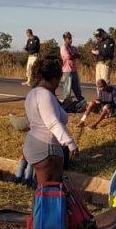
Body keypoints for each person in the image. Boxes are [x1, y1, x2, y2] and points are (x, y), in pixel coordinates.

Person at [23, 55, 79, 185]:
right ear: (53, 78)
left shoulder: (34, 93)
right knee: (49, 191)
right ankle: (41, 206)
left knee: (44, 190)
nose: (58, 84)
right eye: (58, 80)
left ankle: (39, 205)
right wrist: (70, 143)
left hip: (35, 142)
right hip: (47, 148)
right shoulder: (45, 95)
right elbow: (53, 123)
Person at [60, 31, 84, 102]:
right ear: (65, 39)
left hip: (74, 70)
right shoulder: (63, 48)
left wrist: (74, 55)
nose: (71, 40)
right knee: (67, 91)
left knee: (77, 90)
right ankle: (67, 105)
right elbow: (68, 57)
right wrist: (74, 55)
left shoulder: (73, 48)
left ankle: (81, 102)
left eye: (71, 38)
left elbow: (79, 55)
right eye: (69, 38)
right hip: (67, 71)